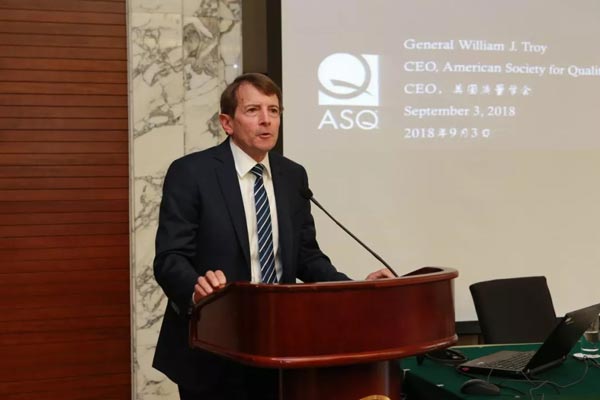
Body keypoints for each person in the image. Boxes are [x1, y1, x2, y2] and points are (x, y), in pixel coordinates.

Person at [152, 72, 393, 400]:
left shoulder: (292, 175)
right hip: (213, 345)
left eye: (274, 111)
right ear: (227, 123)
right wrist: (197, 288)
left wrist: (353, 290)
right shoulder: (192, 173)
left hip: (280, 346)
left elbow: (307, 257)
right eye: (253, 110)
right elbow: (170, 258)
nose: (266, 120)